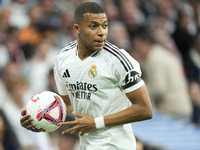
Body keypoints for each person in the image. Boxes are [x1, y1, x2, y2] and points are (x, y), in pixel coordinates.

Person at [20, 2, 153, 149]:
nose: (101, 32)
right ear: (77, 28)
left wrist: (96, 123)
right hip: (86, 145)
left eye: (105, 25)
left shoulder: (119, 60)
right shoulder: (63, 59)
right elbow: (68, 103)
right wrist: (37, 118)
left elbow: (145, 109)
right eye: (93, 26)